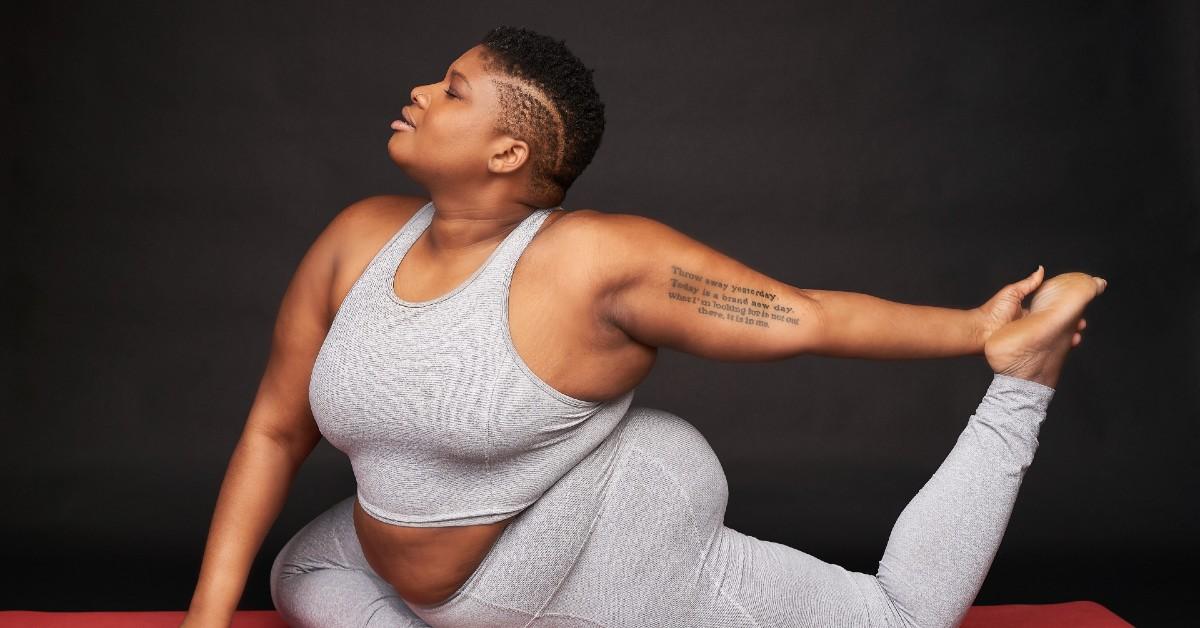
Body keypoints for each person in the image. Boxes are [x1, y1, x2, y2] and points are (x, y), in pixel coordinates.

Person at [181, 25, 1107, 628]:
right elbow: (275, 427)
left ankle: (1022, 388)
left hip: (597, 532)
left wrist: (981, 333)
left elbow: (801, 315)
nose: (422, 90)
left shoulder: (595, 260)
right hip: (425, 560)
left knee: (897, 619)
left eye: (454, 89)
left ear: (508, 150)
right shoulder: (357, 236)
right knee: (300, 574)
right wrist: (200, 625)